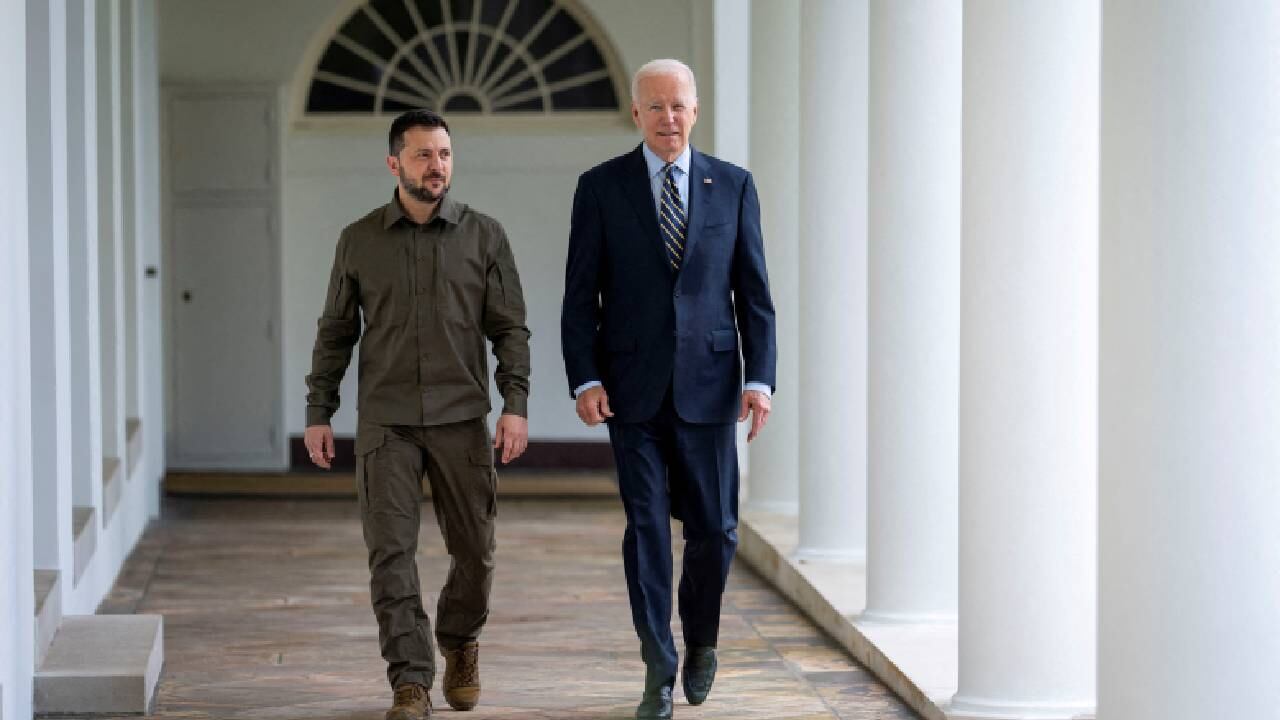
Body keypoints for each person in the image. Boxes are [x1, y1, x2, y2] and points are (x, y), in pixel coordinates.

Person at [560, 59, 777, 719]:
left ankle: (702, 640)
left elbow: (754, 295)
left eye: (678, 105)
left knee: (716, 530)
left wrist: (760, 379)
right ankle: (658, 662)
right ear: (636, 113)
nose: (668, 118)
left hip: (711, 388)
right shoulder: (601, 188)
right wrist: (586, 377)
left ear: (696, 110)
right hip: (632, 391)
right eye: (654, 106)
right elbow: (579, 296)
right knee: (648, 528)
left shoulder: (733, 186)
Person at [304, 109, 531, 720]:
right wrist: (319, 410)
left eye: (445, 154)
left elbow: (510, 330)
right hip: (388, 422)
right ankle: (410, 681)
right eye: (424, 155)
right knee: (390, 554)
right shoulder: (359, 239)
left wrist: (515, 405)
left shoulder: (485, 235)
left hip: (462, 417)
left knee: (476, 551)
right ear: (394, 163)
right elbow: (335, 332)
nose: (437, 166)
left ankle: (460, 639)